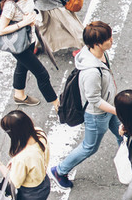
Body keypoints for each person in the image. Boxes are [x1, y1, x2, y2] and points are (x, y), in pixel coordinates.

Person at [50, 21, 121, 187]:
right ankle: (59, 171)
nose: (111, 40)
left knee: (123, 134)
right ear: (96, 44)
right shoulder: (91, 72)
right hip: (98, 115)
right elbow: (94, 100)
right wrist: (118, 111)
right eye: (108, 39)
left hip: (109, 107)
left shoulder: (100, 53)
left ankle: (131, 162)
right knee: (90, 147)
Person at [0, 0, 58, 109]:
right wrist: (23, 23)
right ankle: (56, 104)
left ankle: (19, 95)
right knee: (42, 74)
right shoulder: (10, 5)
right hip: (18, 44)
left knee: (22, 65)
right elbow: (1, 30)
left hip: (29, 39)